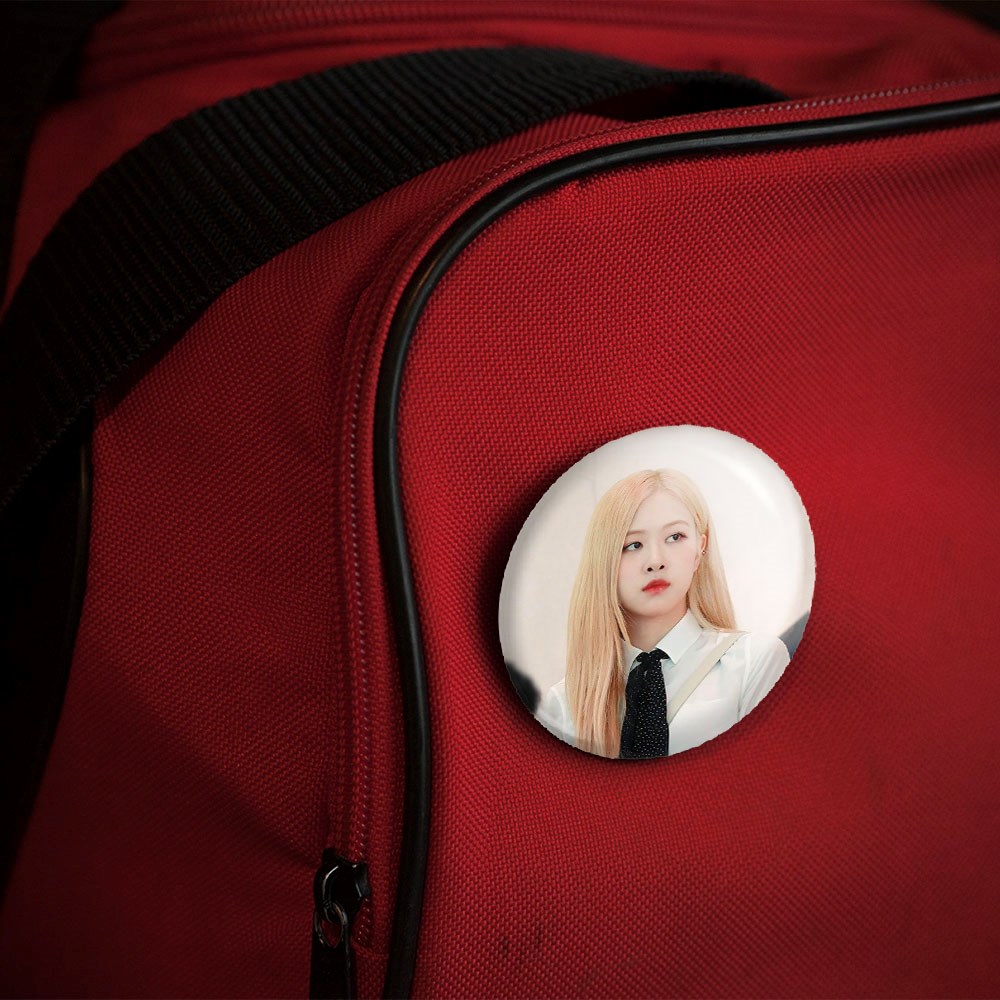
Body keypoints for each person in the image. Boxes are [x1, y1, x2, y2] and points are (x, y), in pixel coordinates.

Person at [537, 469, 789, 758]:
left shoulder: (755, 664)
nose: (655, 561)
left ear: (700, 549)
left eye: (675, 537)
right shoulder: (562, 706)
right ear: (603, 561)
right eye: (633, 545)